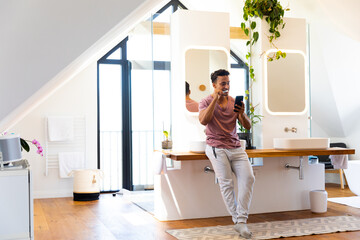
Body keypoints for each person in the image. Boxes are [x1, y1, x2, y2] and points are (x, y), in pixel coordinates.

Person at [198, 69, 255, 239]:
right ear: (214, 85)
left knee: (249, 178)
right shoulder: (206, 101)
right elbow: (203, 120)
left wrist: (241, 113)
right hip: (217, 148)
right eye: (223, 83)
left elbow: (248, 126)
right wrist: (215, 99)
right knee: (226, 183)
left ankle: (240, 221)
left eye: (228, 83)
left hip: (236, 147)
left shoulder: (233, 102)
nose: (226, 86)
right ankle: (240, 221)